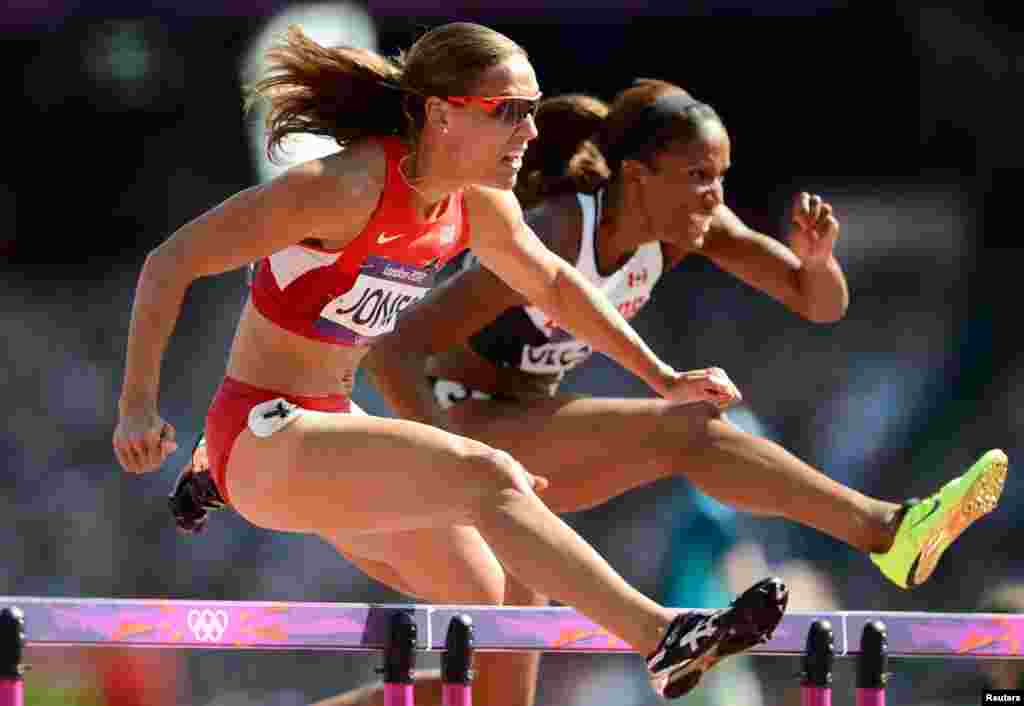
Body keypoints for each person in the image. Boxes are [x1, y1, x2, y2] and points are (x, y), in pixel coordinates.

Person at [185, 82, 1009, 706]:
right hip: (470, 427)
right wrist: (442, 449)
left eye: (722, 178)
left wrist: (820, 267)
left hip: (527, 430)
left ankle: (892, 533)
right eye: (698, 178)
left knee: (501, 700)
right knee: (688, 433)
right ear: (639, 176)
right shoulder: (553, 229)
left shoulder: (696, 226)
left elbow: (814, 303)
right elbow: (397, 348)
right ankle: (889, 530)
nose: (716, 199)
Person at [112, 23, 788, 701]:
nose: (531, 131)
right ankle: (662, 636)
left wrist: (662, 378)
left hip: (327, 427)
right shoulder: (340, 189)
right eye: (510, 112)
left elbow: (552, 284)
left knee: (504, 602)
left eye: (533, 109)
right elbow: (168, 263)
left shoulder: (476, 205)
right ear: (442, 114)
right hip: (264, 429)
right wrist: (138, 407)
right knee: (488, 474)